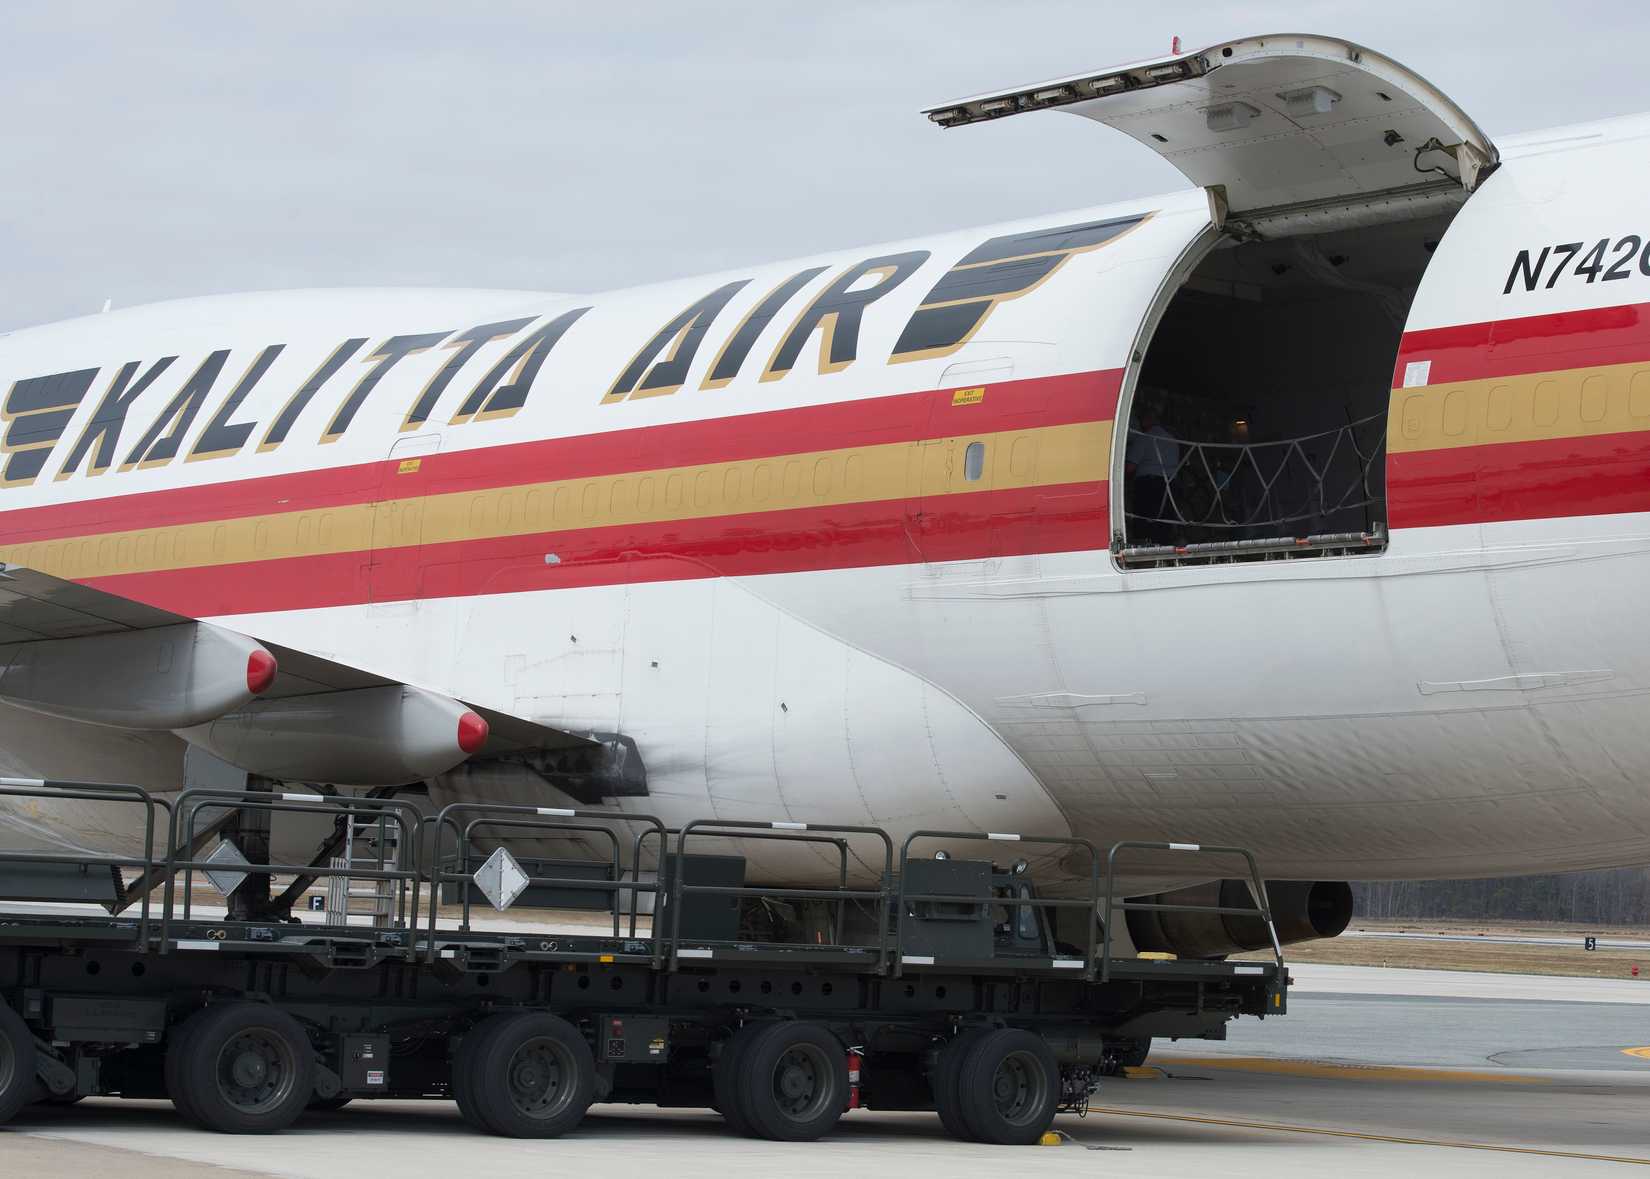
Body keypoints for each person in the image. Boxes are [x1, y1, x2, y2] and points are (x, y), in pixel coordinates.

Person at [1126, 404, 1179, 542]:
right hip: (1171, 487)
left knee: (1144, 525)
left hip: (1149, 486)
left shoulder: (1144, 437)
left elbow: (1130, 467)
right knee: (1164, 525)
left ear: (1146, 420)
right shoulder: (1172, 439)